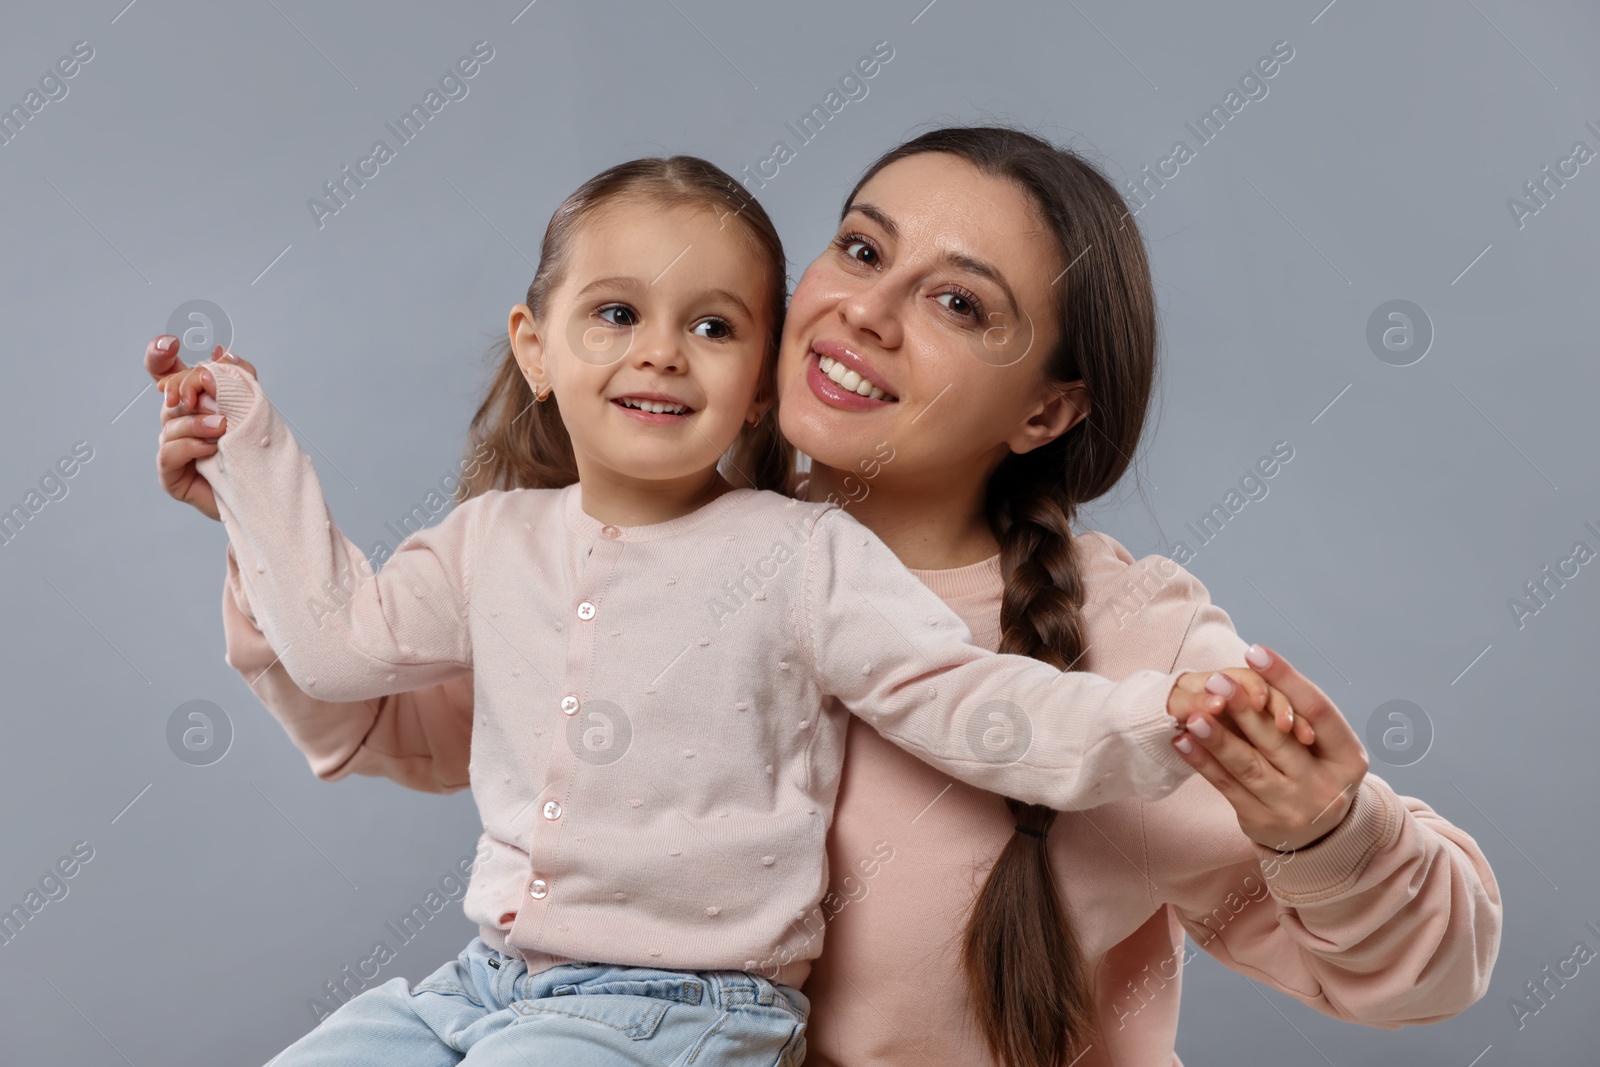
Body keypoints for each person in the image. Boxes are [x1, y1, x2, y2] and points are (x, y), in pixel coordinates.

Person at [150, 128, 1499, 1067]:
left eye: (958, 304)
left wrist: (1327, 828)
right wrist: (252, 515)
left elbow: (1429, 968)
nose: (866, 311)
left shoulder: (1124, 639)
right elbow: (386, 716)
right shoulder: (674, 528)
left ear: (1048, 408)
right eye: (860, 251)